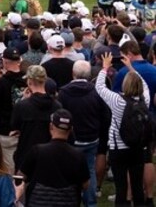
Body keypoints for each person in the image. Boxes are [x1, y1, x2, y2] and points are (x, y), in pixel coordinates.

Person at [96, 51, 150, 206]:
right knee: (137, 185)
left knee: (121, 187)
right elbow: (144, 84)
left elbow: (99, 87)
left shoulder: (117, 100)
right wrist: (131, 68)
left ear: (125, 85)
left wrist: (104, 68)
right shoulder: (144, 100)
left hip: (118, 148)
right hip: (138, 147)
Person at [58, 60, 109, 207]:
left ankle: (71, 201)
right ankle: (90, 203)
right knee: (89, 170)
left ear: (73, 73)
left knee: (69, 171)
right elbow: (105, 116)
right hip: (90, 138)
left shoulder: (64, 92)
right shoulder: (96, 92)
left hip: (72, 139)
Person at [19, 109, 89, 206]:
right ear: (71, 130)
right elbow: (85, 185)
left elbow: (21, 176)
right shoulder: (78, 155)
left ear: (51, 126)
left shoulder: (37, 151)